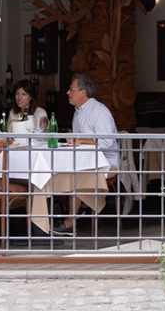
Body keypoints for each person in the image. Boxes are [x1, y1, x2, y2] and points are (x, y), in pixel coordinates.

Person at [54, 73, 119, 235]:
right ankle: (67, 213)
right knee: (58, 172)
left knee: (78, 175)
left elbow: (107, 143)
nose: (68, 92)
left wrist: (79, 140)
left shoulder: (99, 111)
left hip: (107, 163)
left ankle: (71, 221)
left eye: (71, 89)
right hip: (85, 161)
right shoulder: (78, 111)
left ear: (83, 92)